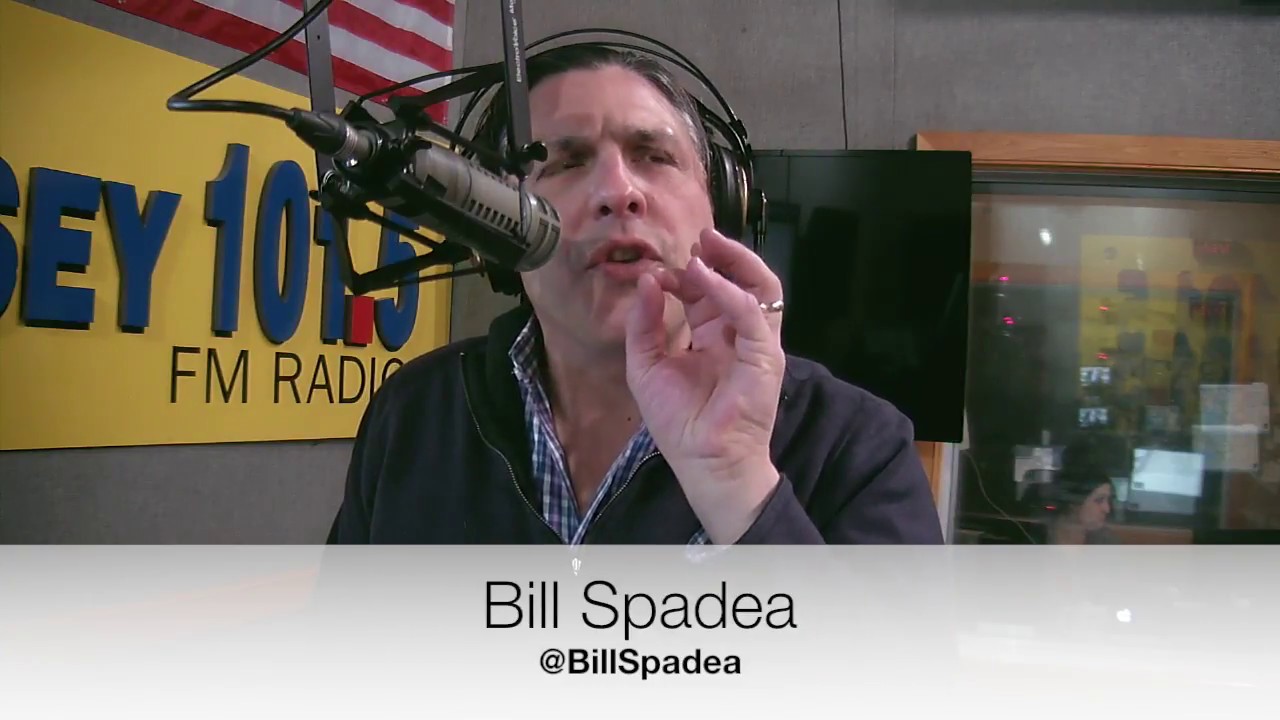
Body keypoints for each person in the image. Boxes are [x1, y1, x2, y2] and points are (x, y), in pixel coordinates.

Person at [326, 43, 943, 545]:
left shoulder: (857, 445)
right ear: (490, 229)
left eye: (654, 156)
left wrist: (738, 485)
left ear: (723, 208)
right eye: (565, 163)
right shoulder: (413, 416)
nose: (618, 192)